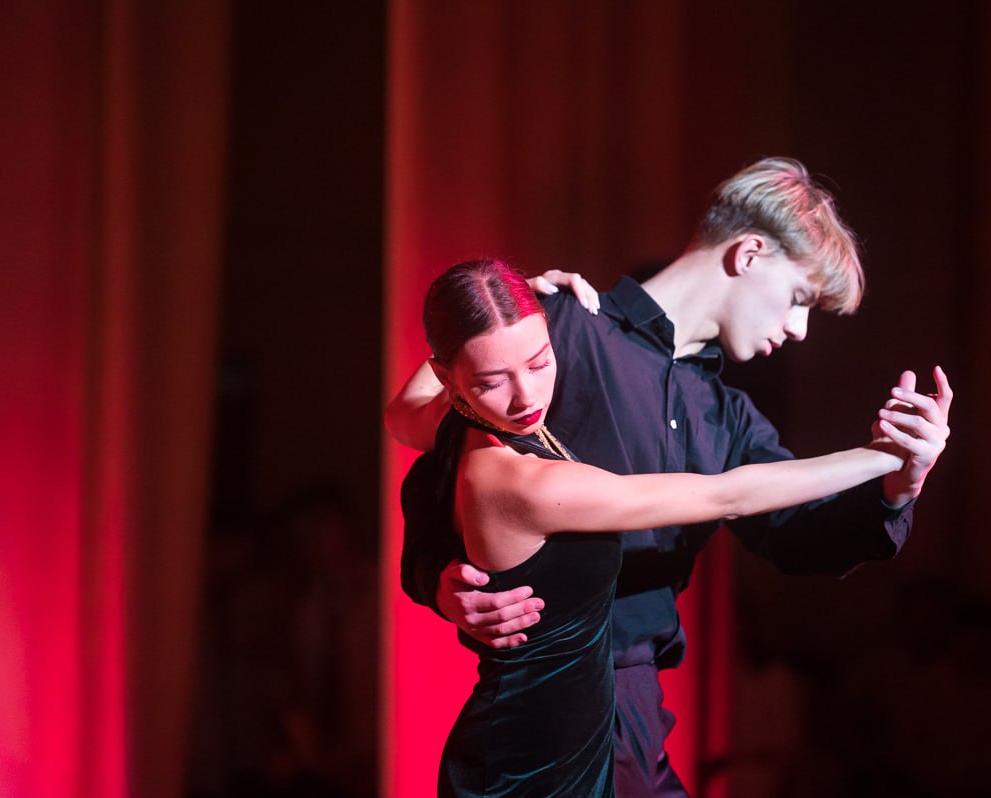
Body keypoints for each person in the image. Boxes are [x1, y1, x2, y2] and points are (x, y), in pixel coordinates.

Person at [388, 157, 953, 796]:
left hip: (637, 709)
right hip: (549, 703)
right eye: (799, 299)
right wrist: (437, 579)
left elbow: (800, 533)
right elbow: (439, 452)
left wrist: (900, 481)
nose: (798, 329)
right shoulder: (566, 327)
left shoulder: (726, 416)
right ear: (749, 254)